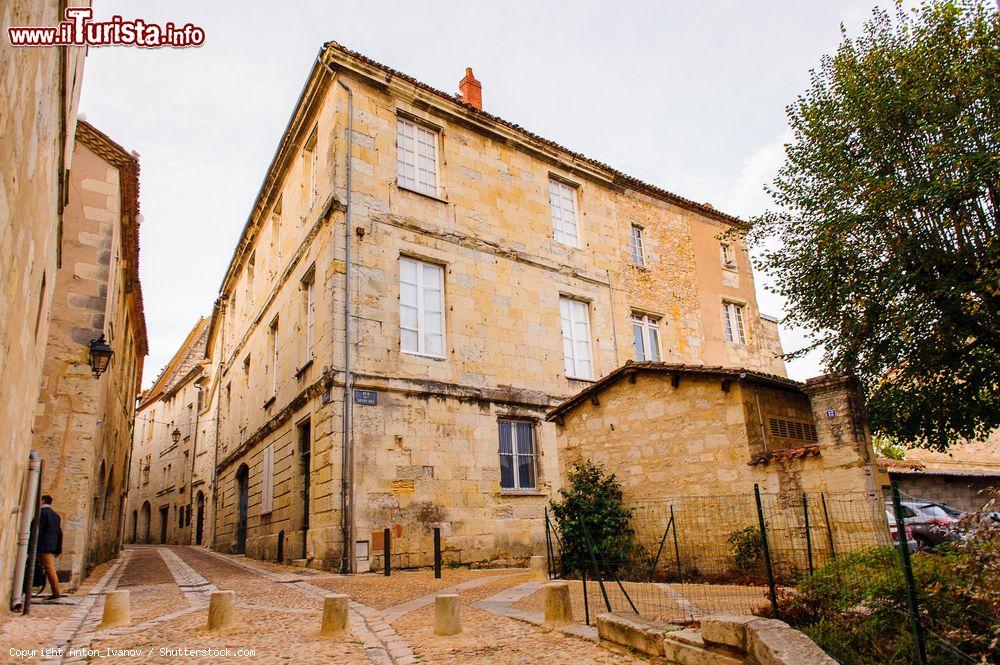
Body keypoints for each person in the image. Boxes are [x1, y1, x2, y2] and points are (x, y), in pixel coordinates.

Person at [36, 495, 63, 599]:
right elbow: (60, 533)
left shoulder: (42, 513)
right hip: (50, 546)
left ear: (42, 501)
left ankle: (56, 592)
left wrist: (33, 546)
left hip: (42, 546)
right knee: (48, 568)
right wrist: (58, 549)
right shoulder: (55, 516)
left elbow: (39, 531)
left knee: (49, 568)